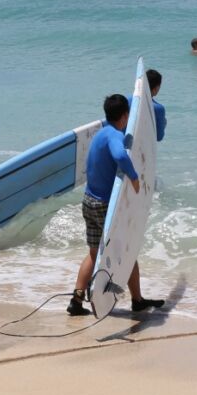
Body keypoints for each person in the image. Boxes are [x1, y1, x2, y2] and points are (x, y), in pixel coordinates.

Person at [69, 94, 165, 316]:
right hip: (103, 205)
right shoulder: (113, 135)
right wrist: (133, 177)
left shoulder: (101, 133)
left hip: (88, 201)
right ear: (125, 116)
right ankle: (138, 300)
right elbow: (120, 155)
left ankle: (76, 300)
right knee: (128, 250)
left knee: (94, 254)